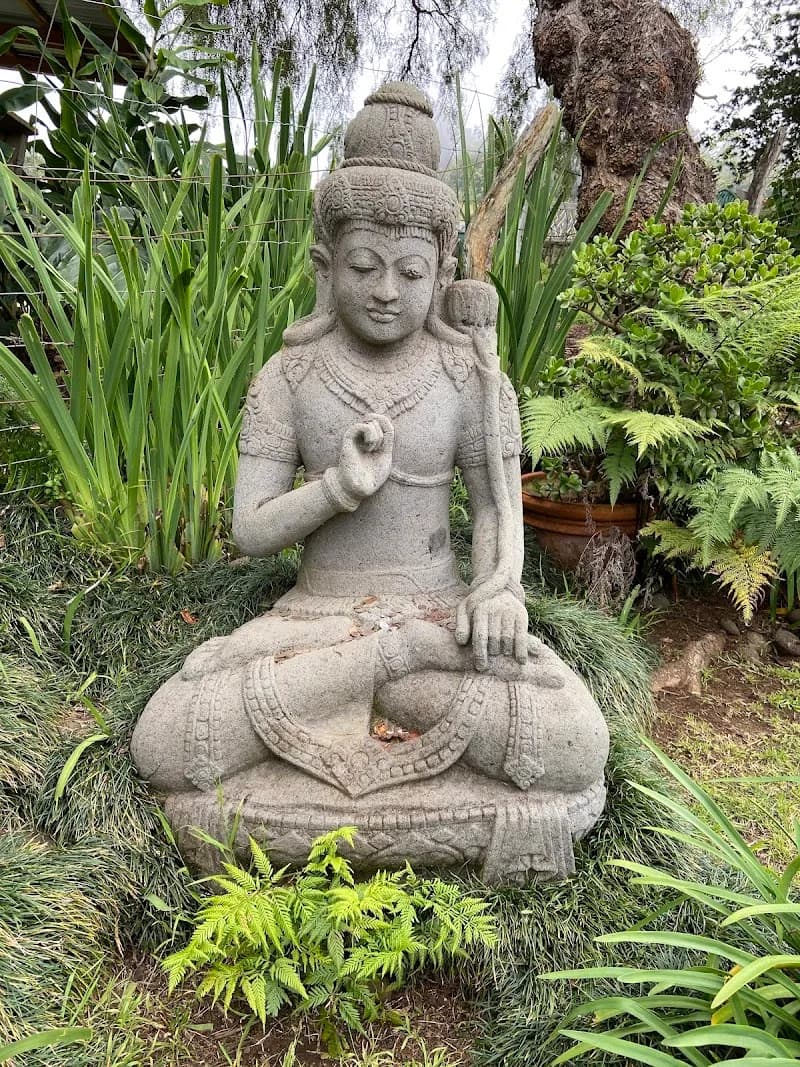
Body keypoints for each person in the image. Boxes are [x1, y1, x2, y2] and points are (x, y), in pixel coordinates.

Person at [131, 83, 609, 881]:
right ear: (326, 264)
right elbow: (250, 529)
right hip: (313, 620)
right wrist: (335, 492)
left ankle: (382, 679)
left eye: (411, 271)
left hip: (439, 616)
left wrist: (498, 591)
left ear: (443, 269)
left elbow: (497, 507)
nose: (387, 289)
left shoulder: (471, 374)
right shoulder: (289, 376)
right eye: (363, 265)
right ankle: (388, 666)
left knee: (576, 739)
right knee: (165, 738)